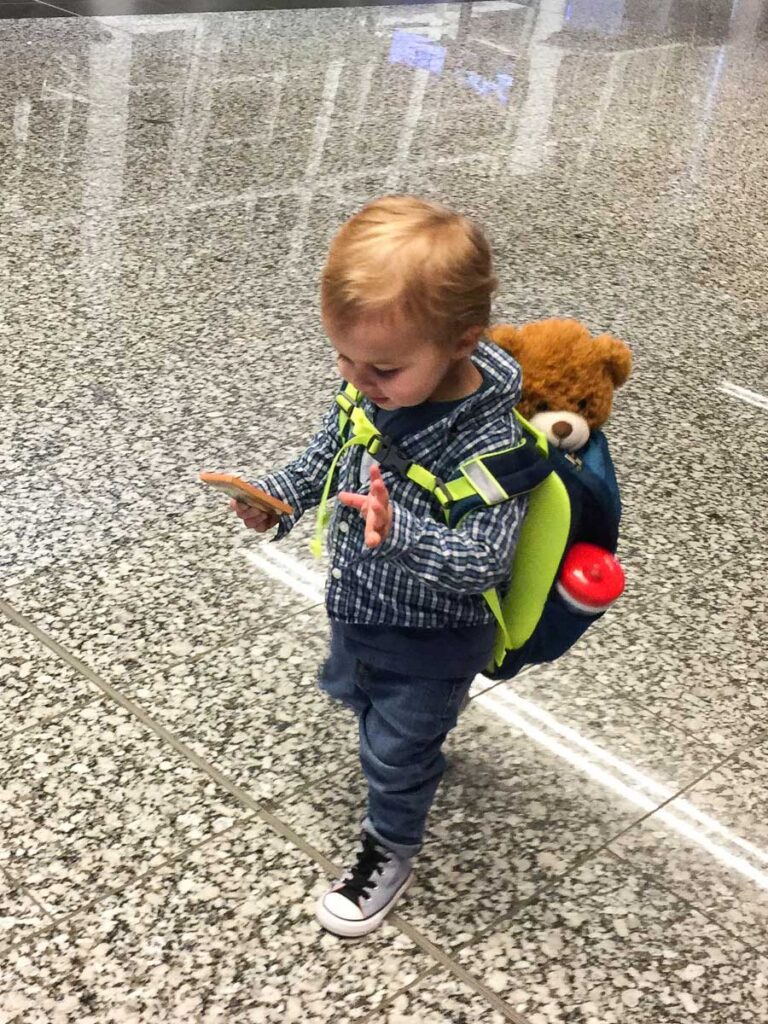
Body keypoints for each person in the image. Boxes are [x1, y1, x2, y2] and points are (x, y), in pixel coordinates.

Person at [232, 196, 526, 937]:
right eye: (344, 357)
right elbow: (327, 454)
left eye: (383, 367)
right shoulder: (374, 382)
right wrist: (279, 498)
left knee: (392, 754)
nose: (358, 379)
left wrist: (401, 534)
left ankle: (388, 848)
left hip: (434, 635)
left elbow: (485, 562)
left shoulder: (494, 447)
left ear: (461, 343)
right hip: (359, 605)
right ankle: (418, 744)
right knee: (362, 704)